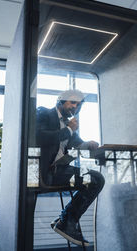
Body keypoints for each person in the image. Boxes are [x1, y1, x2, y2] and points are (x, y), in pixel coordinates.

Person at [36, 89, 105, 246]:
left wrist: (88, 144)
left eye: (79, 105)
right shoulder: (44, 113)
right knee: (95, 180)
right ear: (60, 101)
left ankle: (66, 221)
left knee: (97, 178)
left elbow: (77, 144)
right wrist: (68, 130)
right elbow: (39, 137)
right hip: (45, 172)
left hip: (61, 170)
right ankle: (67, 222)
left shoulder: (70, 126)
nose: (75, 107)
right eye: (72, 102)